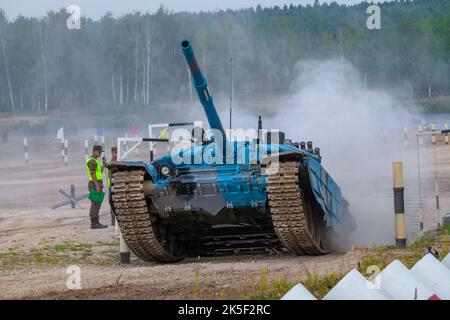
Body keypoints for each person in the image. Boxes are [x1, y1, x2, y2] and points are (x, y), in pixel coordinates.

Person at [85, 145, 108, 229]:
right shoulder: (91, 161)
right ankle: (94, 223)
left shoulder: (95, 161)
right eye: (99, 152)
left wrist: (103, 165)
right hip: (94, 184)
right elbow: (93, 174)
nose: (100, 153)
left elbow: (99, 172)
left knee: (97, 203)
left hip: (97, 183)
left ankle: (96, 222)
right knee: (95, 203)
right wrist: (97, 186)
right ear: (94, 151)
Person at [106, 146, 117, 226]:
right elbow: (110, 176)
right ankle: (113, 220)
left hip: (118, 185)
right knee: (112, 202)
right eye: (115, 152)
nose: (117, 154)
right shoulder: (111, 163)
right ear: (112, 153)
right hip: (112, 185)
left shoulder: (119, 161)